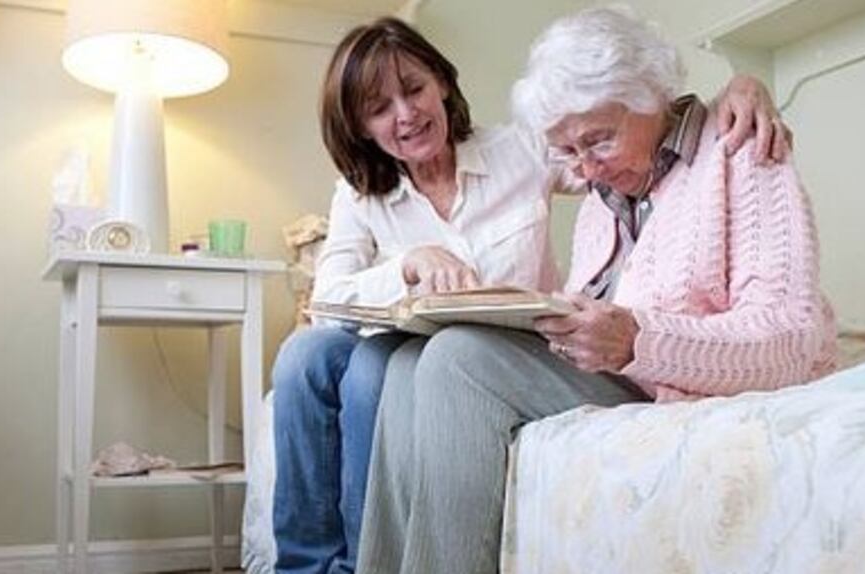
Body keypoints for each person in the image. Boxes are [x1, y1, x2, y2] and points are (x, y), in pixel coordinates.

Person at [271, 15, 790, 574]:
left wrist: (737, 92)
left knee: (388, 368)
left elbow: (632, 132)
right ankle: (310, 564)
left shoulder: (521, 151)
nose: (407, 114)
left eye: (415, 89)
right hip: (407, 337)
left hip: (509, 347)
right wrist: (408, 266)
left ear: (442, 83)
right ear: (360, 126)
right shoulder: (360, 194)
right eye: (379, 108)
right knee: (310, 355)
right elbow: (328, 298)